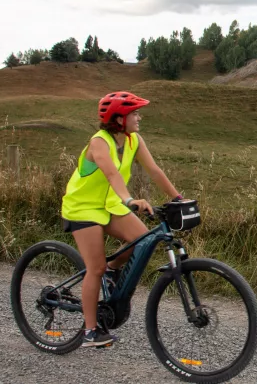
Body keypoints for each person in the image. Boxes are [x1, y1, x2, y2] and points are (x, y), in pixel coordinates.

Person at [60, 91, 182, 347]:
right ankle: (90, 331)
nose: (139, 117)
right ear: (118, 118)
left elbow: (155, 171)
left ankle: (113, 269)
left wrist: (179, 198)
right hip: (83, 208)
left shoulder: (133, 140)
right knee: (95, 268)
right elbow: (112, 174)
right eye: (134, 113)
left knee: (143, 240)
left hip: (110, 205)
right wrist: (130, 201)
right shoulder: (99, 142)